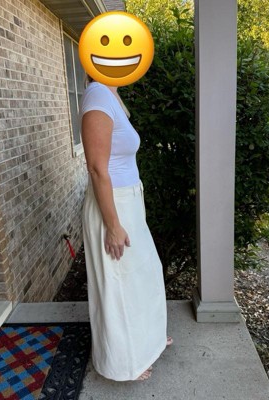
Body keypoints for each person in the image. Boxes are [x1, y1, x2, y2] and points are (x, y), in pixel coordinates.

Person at [80, 77, 172, 382]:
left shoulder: (111, 96)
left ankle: (148, 342)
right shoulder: (97, 95)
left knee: (142, 274)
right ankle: (125, 364)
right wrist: (112, 225)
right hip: (113, 207)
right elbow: (97, 168)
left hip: (128, 202)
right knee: (118, 284)